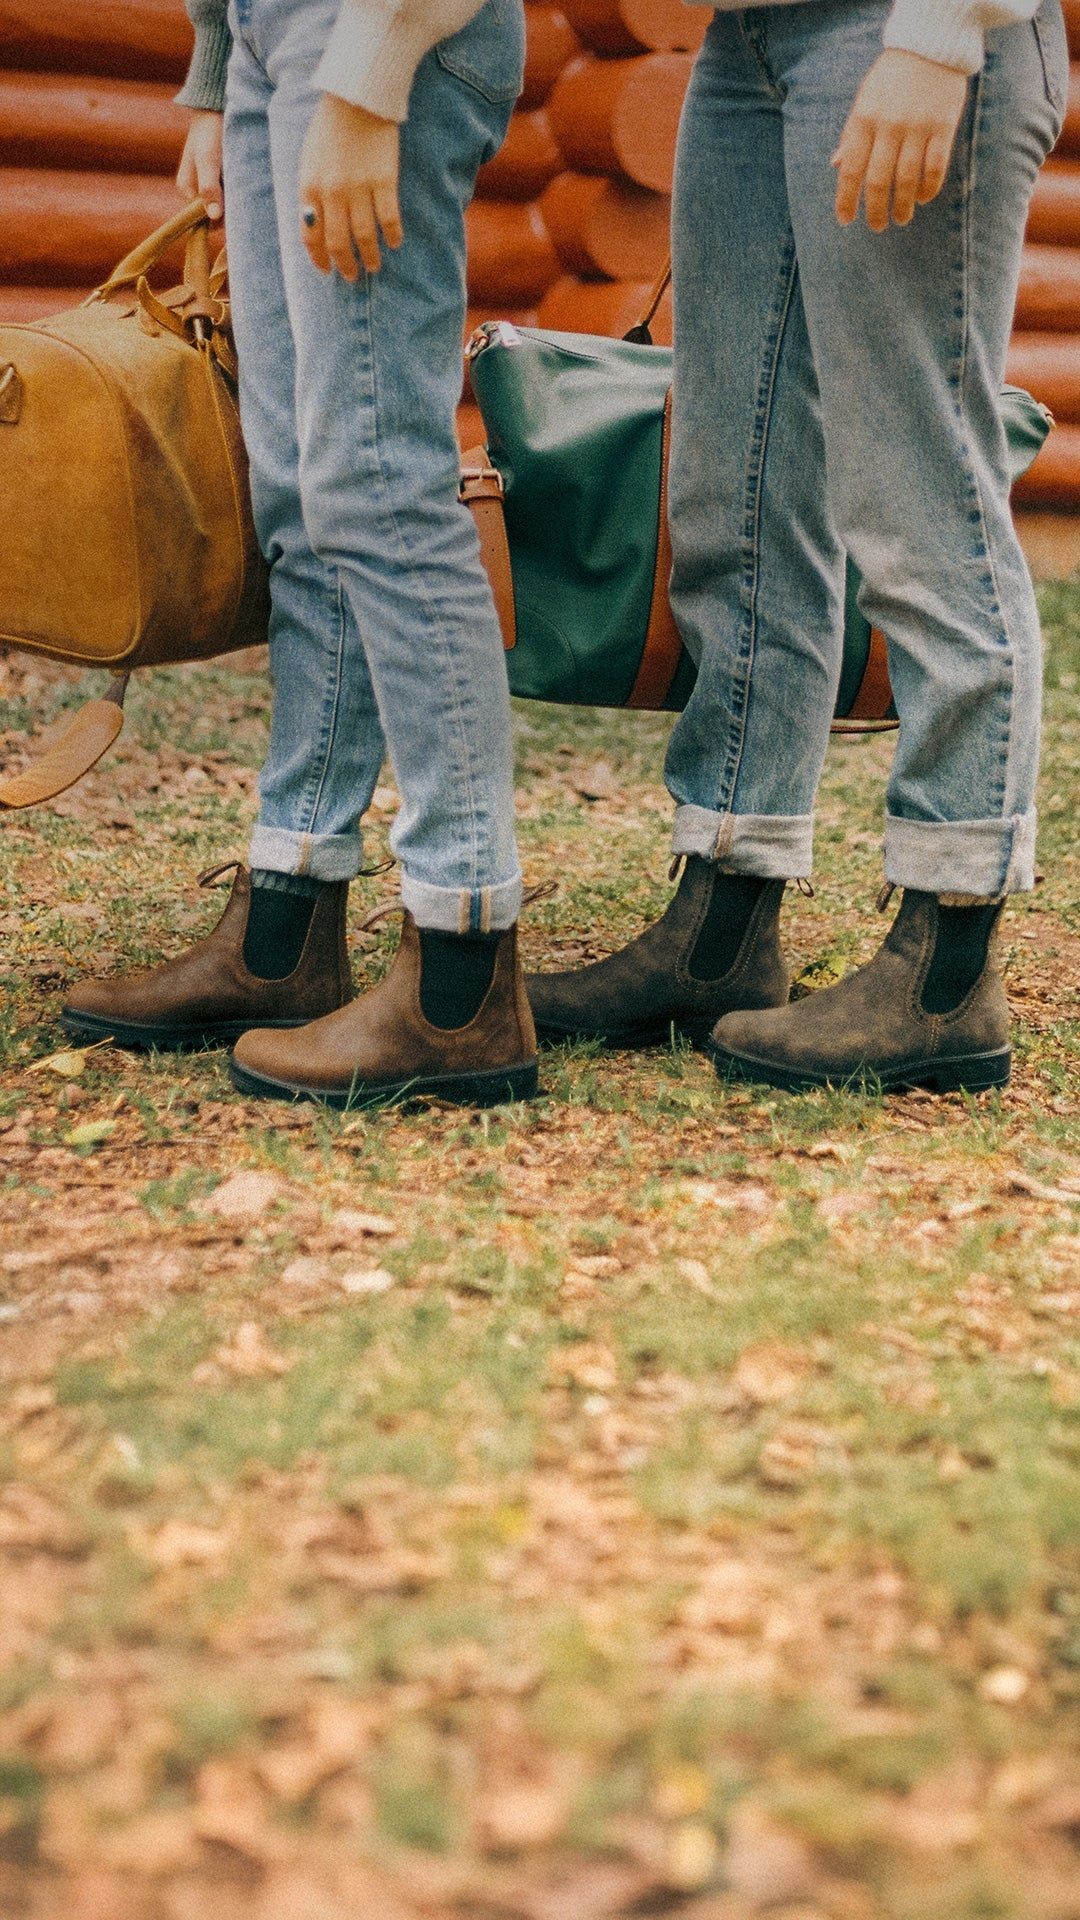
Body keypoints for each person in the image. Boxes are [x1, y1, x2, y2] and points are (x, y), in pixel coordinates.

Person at [527, 0, 1068, 1094]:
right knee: (738, 494)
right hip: (747, 44)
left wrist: (940, 34)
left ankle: (946, 969)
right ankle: (720, 927)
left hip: (899, 30)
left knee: (919, 498)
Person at [62, 0, 538, 1109]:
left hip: (378, 29)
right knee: (302, 493)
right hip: (279, 37)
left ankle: (463, 972)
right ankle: (286, 929)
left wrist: (367, 77)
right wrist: (222, 66)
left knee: (380, 482)